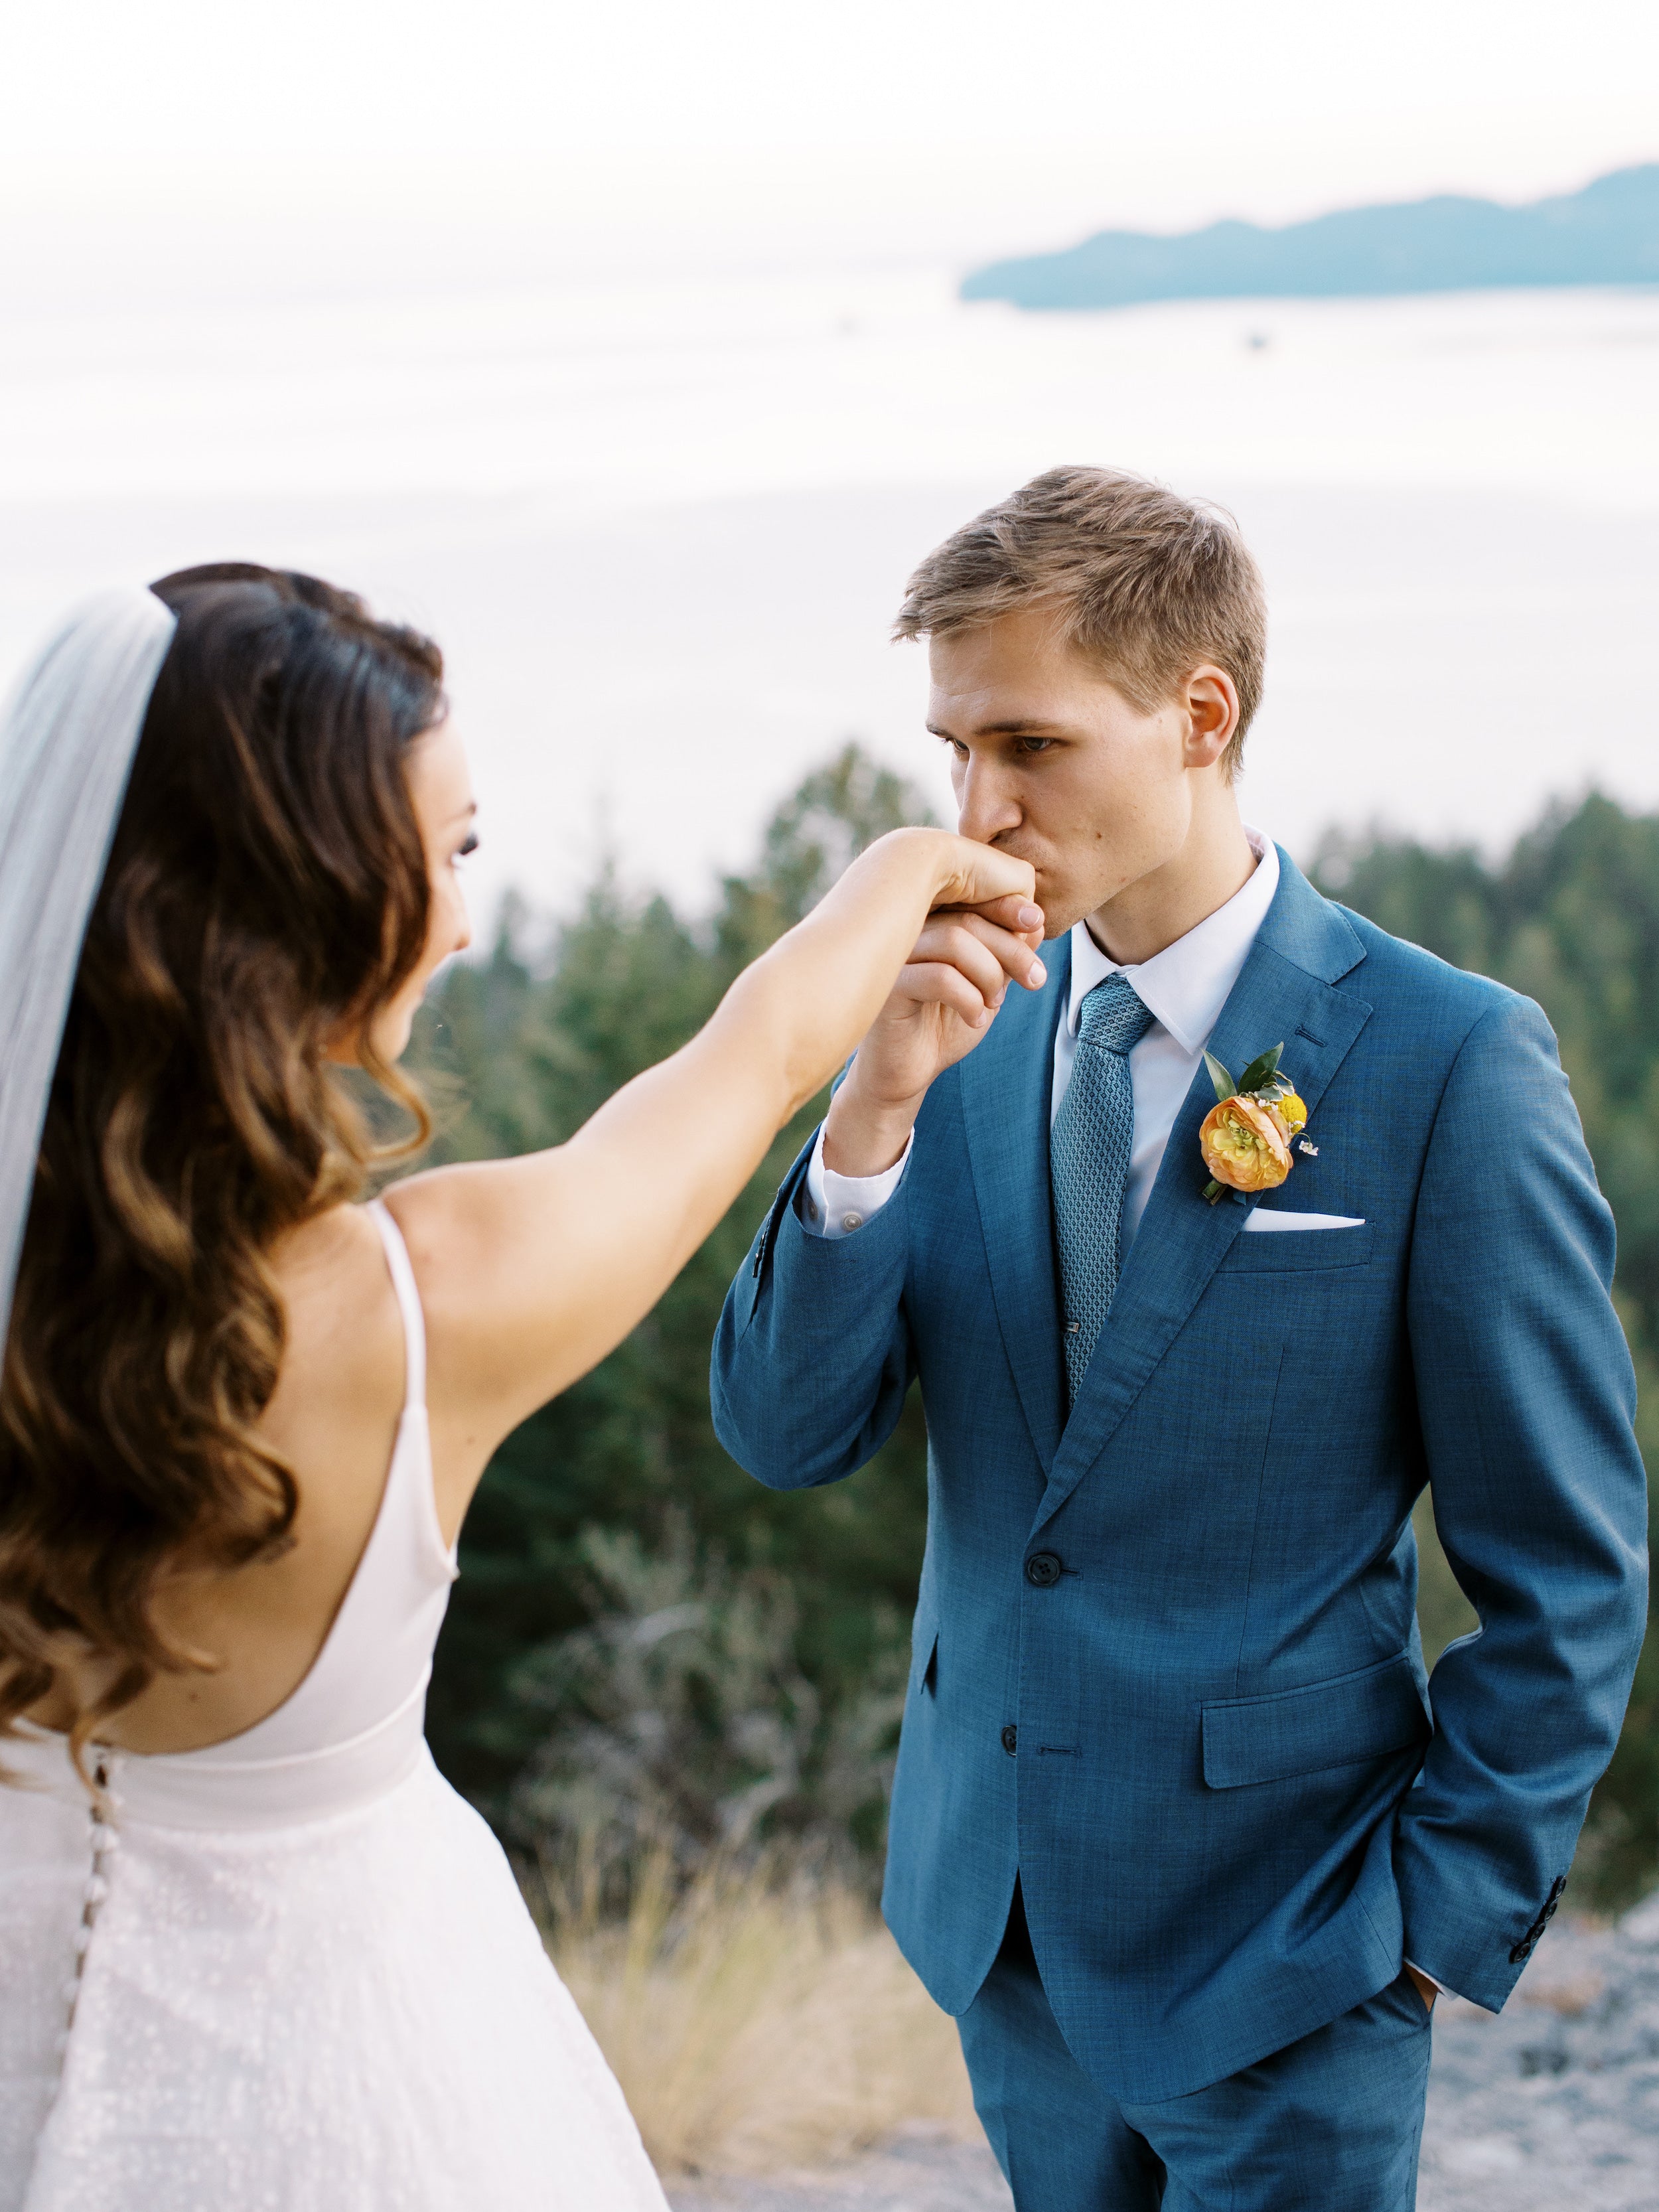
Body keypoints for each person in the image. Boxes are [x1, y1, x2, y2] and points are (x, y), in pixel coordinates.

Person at [0, 564, 1033, 2212]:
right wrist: (914, 864)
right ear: (304, 898)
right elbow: (751, 1065)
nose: (469, 917)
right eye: (450, 850)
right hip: (351, 2098)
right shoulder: (425, 1306)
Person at [711, 467, 1649, 2211]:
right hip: (999, 1927)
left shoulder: (1448, 1061)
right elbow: (784, 1431)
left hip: (1294, 1948)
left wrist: (1429, 1933)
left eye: (1029, 745)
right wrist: (868, 1109)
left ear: (1197, 712)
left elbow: (1567, 1564)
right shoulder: (946, 1034)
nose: (972, 810)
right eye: (951, 750)